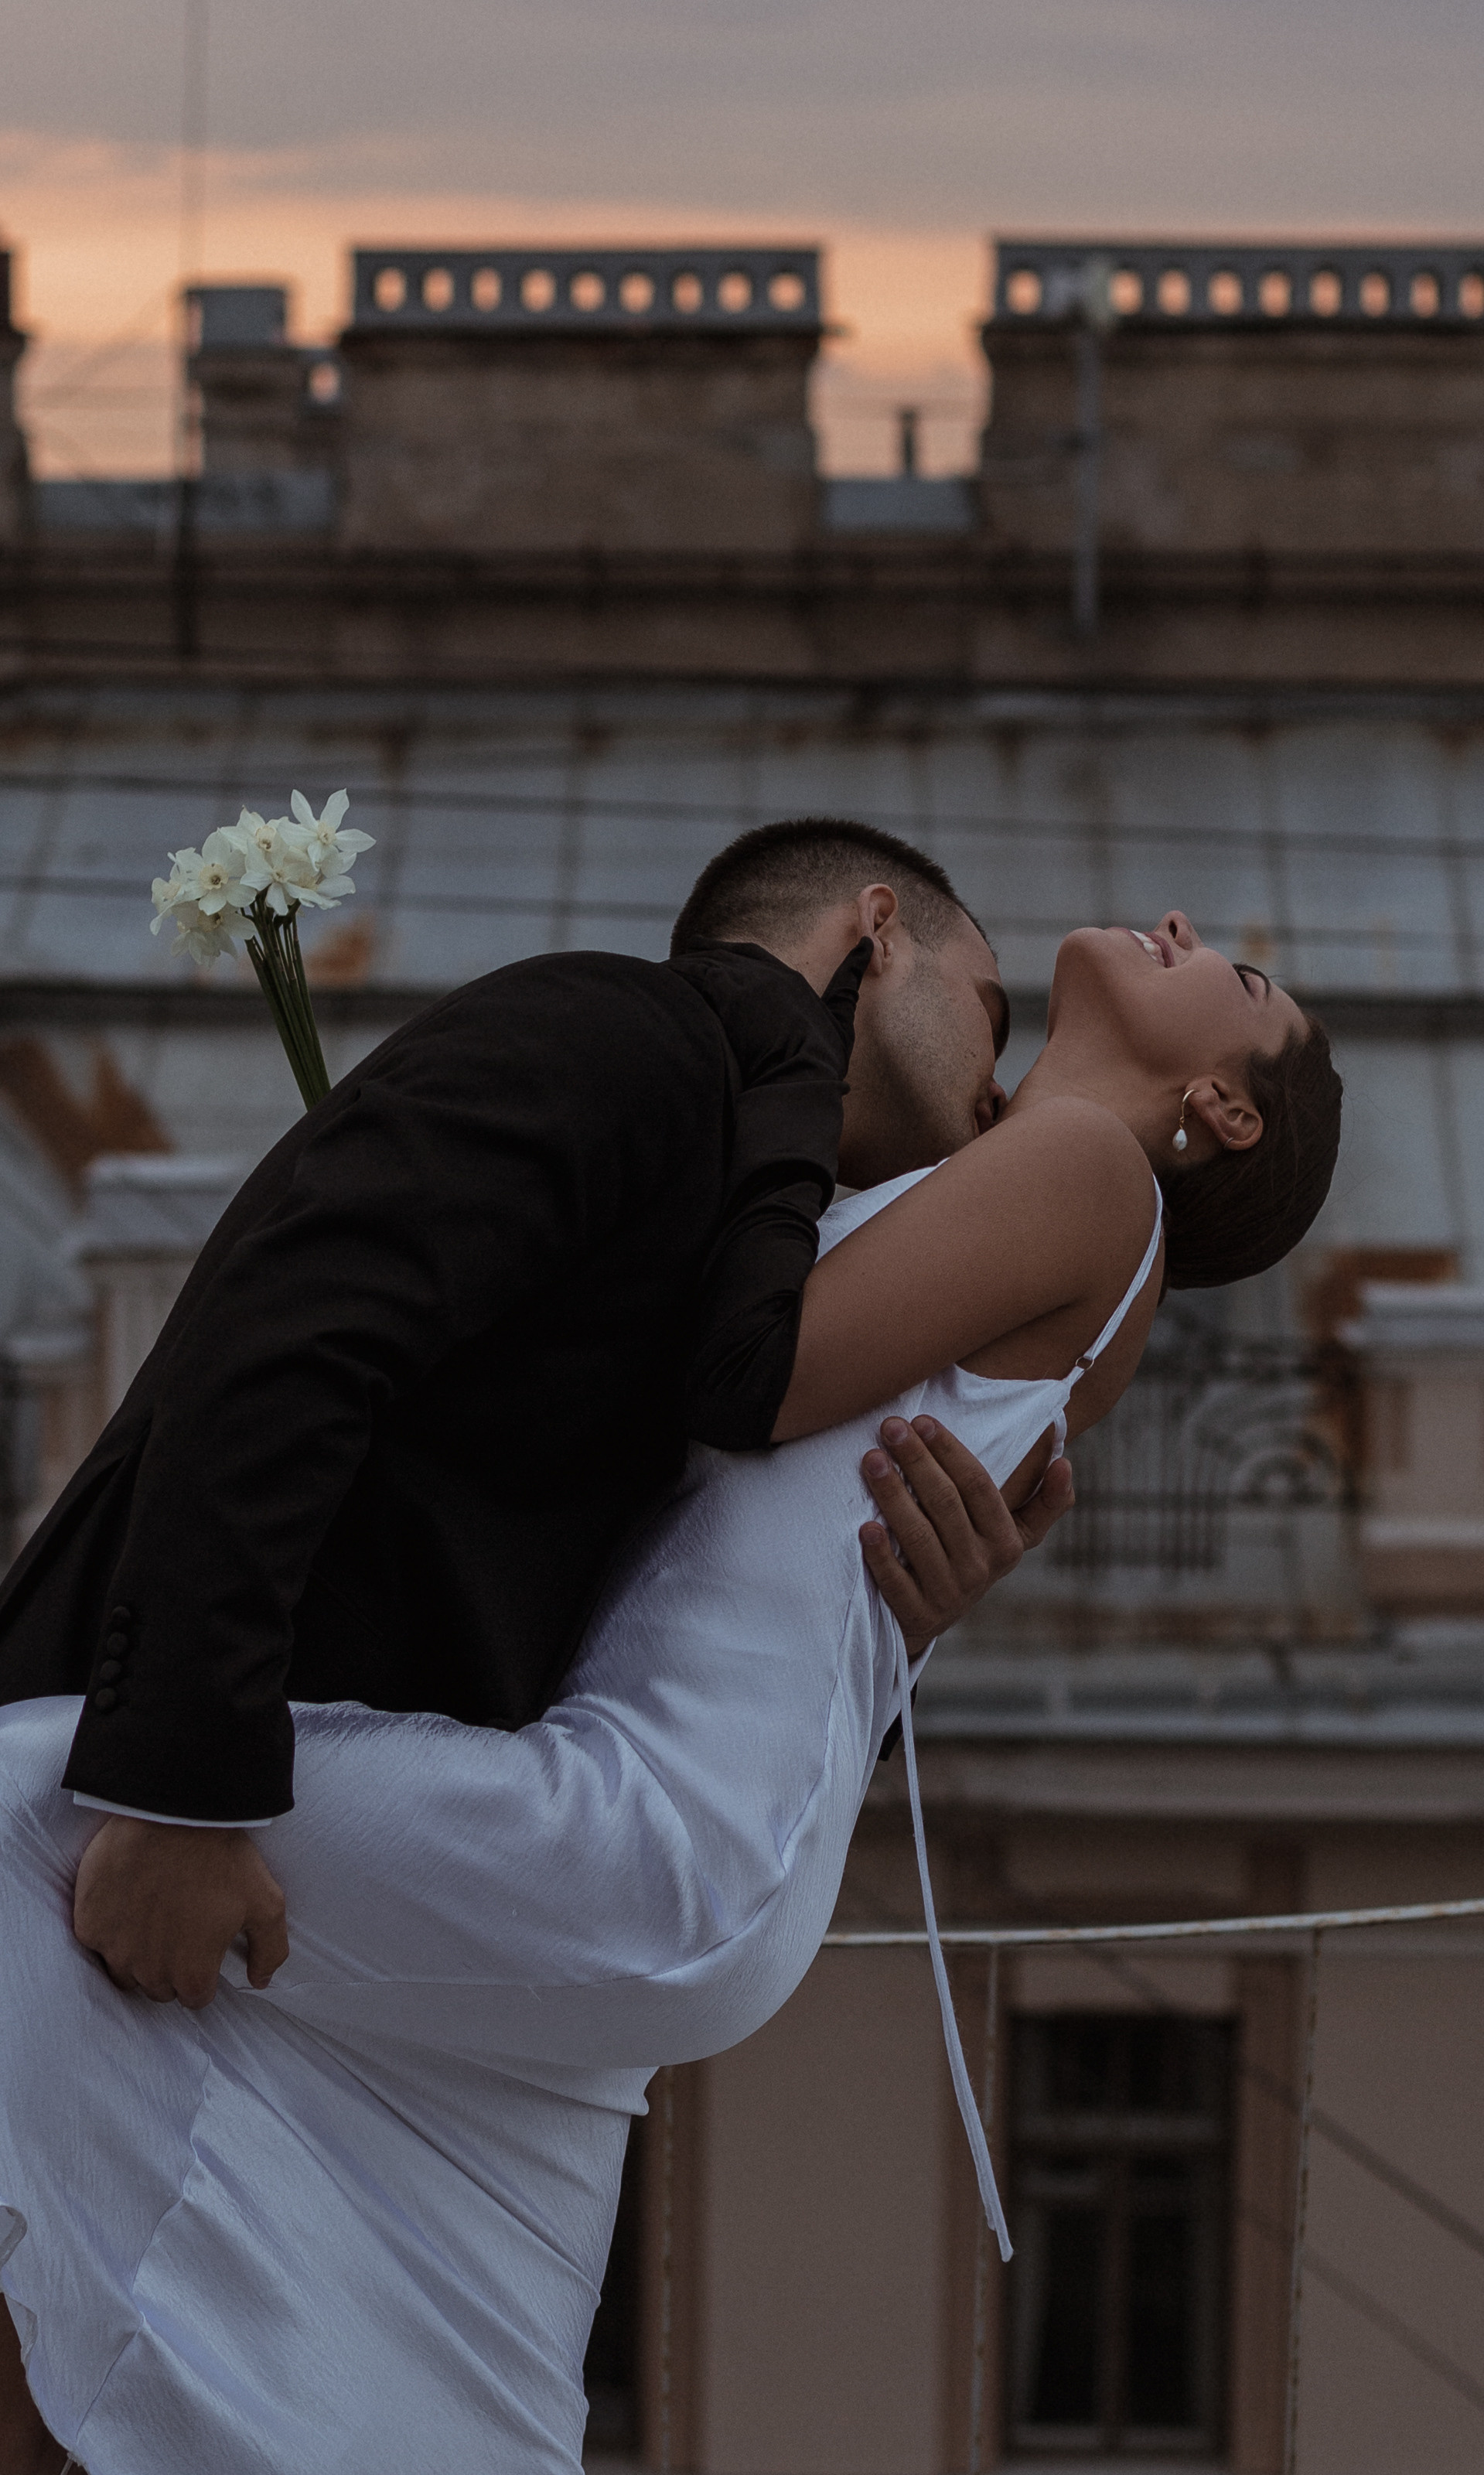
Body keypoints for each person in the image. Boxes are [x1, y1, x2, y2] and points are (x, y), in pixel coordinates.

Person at [0, 905, 1342, 2475]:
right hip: (691, 1827)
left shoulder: (1094, 1175)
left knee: (49, 1810)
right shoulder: (1017, 1216)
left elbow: (749, 1372)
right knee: (393, 2226)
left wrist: (789, 1040)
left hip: (668, 1822)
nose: (1185, 927)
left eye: (1236, 976)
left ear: (1226, 1110)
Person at [0, 819, 1071, 2014]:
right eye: (993, 1010)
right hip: (107, 1863)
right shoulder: (622, 1032)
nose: (1001, 1086)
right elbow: (293, 1334)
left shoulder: (755, 1228)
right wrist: (174, 1792)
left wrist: (894, 1622)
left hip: (328, 1896)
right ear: (876, 934)